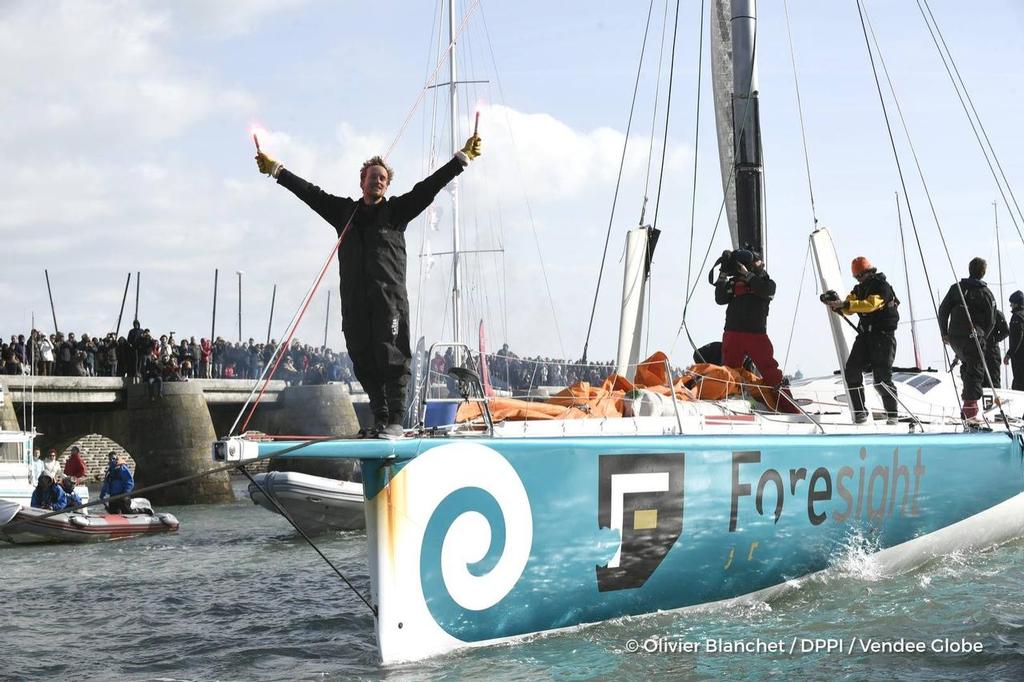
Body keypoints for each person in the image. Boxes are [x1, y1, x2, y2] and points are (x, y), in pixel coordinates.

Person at [256, 133, 483, 438]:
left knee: (392, 359)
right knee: (362, 359)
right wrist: (276, 170)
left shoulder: (396, 213)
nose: (377, 181)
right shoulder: (344, 214)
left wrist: (461, 160)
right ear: (361, 181)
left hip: (389, 302)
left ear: (387, 186)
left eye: (383, 179)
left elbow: (428, 187)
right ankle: (381, 417)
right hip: (354, 304)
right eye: (372, 177)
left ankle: (396, 421)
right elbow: (310, 193)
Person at [823, 257, 900, 424]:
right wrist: (839, 304)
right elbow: (851, 303)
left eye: (860, 276)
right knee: (852, 370)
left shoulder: (882, 287)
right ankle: (859, 412)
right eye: (856, 277)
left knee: (881, 380)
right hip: (865, 336)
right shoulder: (859, 289)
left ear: (868, 272)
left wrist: (846, 305)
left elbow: (870, 304)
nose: (858, 280)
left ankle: (892, 415)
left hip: (883, 337)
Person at [713, 249, 791, 409]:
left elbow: (765, 290)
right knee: (729, 371)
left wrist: (748, 274)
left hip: (755, 335)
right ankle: (728, 404)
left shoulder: (766, 284)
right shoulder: (734, 283)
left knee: (771, 372)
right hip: (733, 332)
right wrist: (722, 275)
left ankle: (788, 406)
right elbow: (720, 299)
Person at [938, 257, 996, 420]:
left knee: (967, 367)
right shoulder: (986, 294)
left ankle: (967, 408)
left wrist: (944, 333)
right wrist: (982, 336)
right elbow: (991, 321)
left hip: (955, 338)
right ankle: (971, 412)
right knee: (975, 370)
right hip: (974, 337)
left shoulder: (956, 288)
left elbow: (943, 310)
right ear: (983, 272)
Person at [1004, 291, 1024, 391]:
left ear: (1017, 303)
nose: (1011, 305)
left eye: (1012, 303)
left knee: (1018, 385)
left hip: (1020, 357)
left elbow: (1017, 337)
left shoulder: (1017, 317)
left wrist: (1009, 354)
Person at [986, 308, 1009, 389]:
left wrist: (994, 339)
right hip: (980, 351)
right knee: (981, 381)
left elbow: (1005, 331)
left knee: (993, 380)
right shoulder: (976, 313)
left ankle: (996, 400)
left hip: (992, 351)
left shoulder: (996, 313)